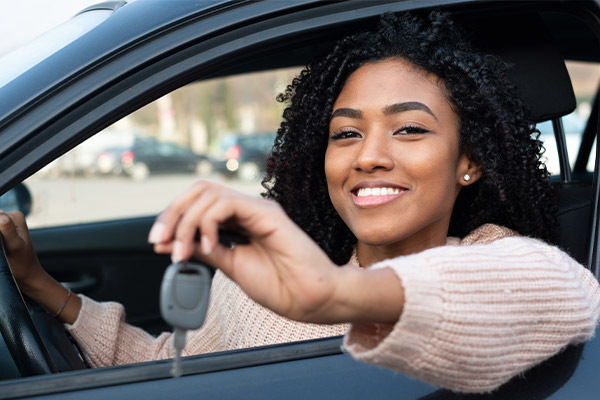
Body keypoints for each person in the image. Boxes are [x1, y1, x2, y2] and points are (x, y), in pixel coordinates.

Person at [1, 11, 599, 394]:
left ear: (468, 161)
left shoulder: (490, 258)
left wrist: (336, 297)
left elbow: (563, 293)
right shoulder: (261, 280)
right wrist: (43, 287)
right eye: (345, 133)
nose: (368, 156)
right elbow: (170, 366)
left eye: (410, 130)